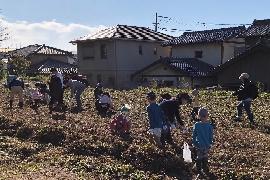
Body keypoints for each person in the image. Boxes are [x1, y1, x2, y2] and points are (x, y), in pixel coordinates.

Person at [192, 107, 213, 176]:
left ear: (199, 116)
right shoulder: (209, 126)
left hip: (198, 144)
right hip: (206, 144)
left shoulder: (197, 125)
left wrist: (194, 142)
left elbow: (194, 135)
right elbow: (211, 136)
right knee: (205, 155)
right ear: (207, 116)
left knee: (199, 156)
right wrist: (210, 143)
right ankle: (205, 167)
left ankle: (198, 169)